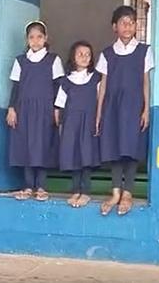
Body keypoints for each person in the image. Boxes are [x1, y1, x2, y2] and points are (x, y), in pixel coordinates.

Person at [96, 6, 153, 216]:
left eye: (131, 22)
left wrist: (146, 109)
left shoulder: (144, 51)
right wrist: (99, 113)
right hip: (112, 106)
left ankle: (128, 192)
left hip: (134, 105)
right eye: (123, 22)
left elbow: (145, 82)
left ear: (136, 26)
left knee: (131, 149)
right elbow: (103, 85)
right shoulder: (107, 54)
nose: (127, 26)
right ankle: (115, 192)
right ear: (114, 27)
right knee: (114, 149)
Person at [6, 20, 64, 201]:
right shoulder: (21, 61)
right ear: (27, 40)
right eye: (32, 37)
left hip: (45, 109)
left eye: (39, 37)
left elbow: (58, 87)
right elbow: (15, 87)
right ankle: (28, 185)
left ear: (45, 38)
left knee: (42, 145)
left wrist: (57, 109)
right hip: (24, 110)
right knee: (26, 145)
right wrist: (12, 108)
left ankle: (41, 186)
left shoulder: (53, 60)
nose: (36, 41)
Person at [55, 40, 101, 208]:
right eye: (80, 54)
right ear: (73, 57)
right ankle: (75, 190)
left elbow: (100, 101)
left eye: (87, 54)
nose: (84, 57)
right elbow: (59, 105)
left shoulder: (96, 78)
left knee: (86, 156)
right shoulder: (66, 82)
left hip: (88, 122)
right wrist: (60, 125)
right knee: (73, 155)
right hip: (71, 123)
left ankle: (86, 192)